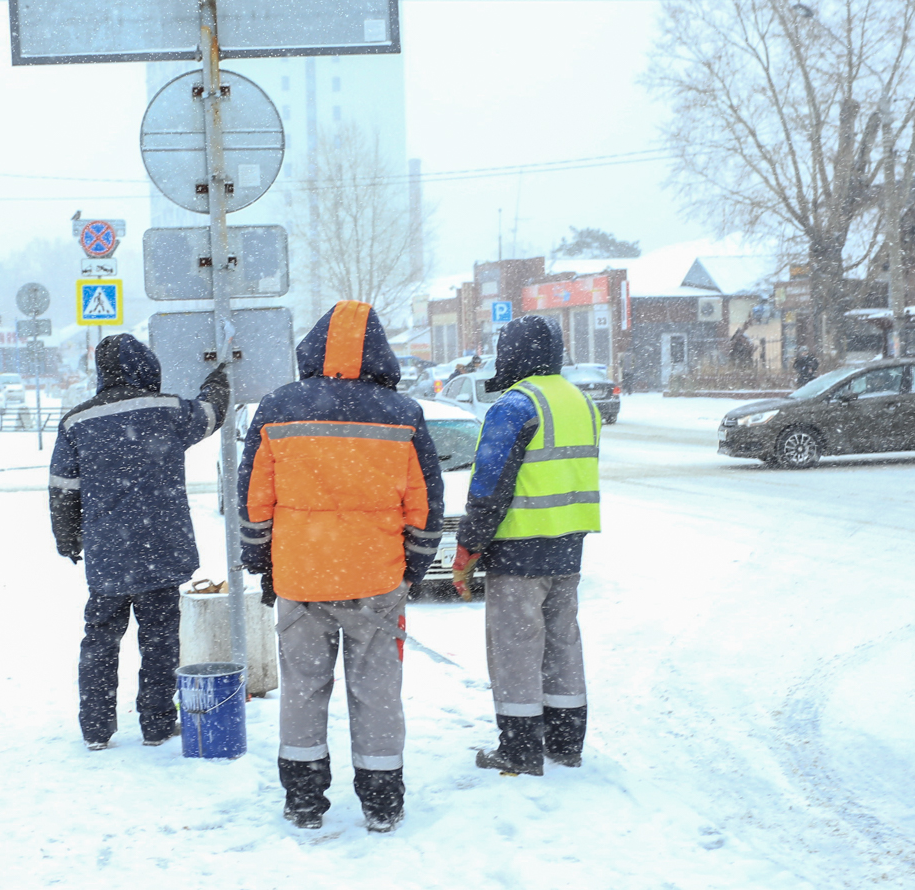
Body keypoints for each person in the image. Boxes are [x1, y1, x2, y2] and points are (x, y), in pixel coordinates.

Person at [238, 301, 444, 833]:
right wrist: (413, 570)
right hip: (377, 582)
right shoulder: (403, 414)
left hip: (302, 580)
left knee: (303, 689)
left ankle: (303, 800)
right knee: (376, 691)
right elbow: (425, 504)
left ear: (311, 346)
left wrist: (263, 563)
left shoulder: (277, 409)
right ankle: (382, 801)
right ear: (379, 350)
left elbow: (254, 499)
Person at [49, 334, 229, 751]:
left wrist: (70, 540)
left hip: (107, 552)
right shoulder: (165, 409)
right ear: (146, 367)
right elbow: (209, 414)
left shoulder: (76, 421)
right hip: (160, 548)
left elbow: (62, 490)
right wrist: (219, 379)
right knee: (160, 638)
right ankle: (157, 722)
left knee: (100, 638)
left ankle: (95, 727)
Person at [452, 314, 600, 777]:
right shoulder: (581, 402)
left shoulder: (515, 406)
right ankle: (565, 743)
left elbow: (489, 488)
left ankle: (519, 751)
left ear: (512, 353)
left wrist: (468, 549)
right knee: (563, 645)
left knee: (516, 649)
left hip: (519, 551)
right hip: (569, 546)